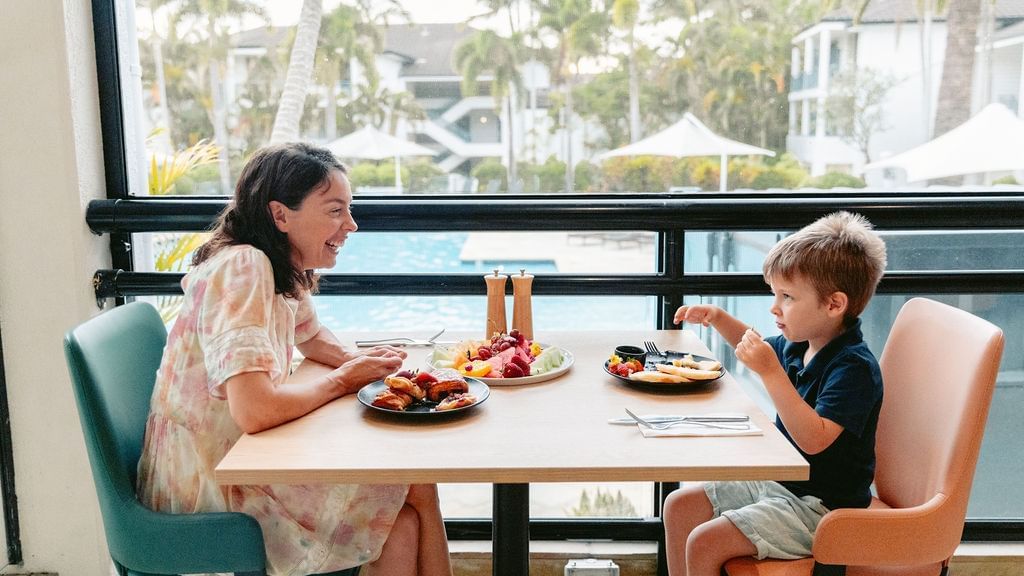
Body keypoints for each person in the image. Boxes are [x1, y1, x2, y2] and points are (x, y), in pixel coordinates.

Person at [136, 142, 453, 576]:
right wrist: (344, 379)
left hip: (241, 461)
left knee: (403, 516)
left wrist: (376, 369)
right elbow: (255, 410)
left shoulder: (279, 266)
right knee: (413, 486)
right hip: (212, 489)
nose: (352, 225)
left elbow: (313, 336)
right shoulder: (244, 267)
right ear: (280, 215)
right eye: (336, 210)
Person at [663, 211, 887, 576]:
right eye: (774, 293)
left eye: (787, 297)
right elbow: (754, 345)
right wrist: (719, 318)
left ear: (834, 305)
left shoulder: (854, 368)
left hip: (825, 508)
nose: (774, 307)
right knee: (679, 506)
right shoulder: (802, 343)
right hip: (783, 484)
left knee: (706, 541)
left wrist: (770, 372)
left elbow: (814, 439)